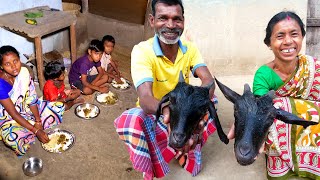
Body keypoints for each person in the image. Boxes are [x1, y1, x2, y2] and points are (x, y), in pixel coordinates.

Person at [114, 0, 218, 179]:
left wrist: (191, 112)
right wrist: (171, 114)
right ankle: (154, 163)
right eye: (163, 18)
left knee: (212, 99)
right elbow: (146, 97)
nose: (170, 25)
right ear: (152, 20)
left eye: (176, 19)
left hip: (182, 110)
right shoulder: (142, 51)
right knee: (132, 119)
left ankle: (187, 144)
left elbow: (208, 81)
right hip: (158, 111)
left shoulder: (189, 48)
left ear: (183, 21)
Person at [251, 11, 320, 179]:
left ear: (302, 37)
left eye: (294, 34)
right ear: (269, 43)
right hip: (283, 126)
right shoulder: (263, 75)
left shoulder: (312, 67)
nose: (288, 41)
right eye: (280, 36)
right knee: (274, 112)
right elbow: (261, 109)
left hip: (312, 124)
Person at [0, 45, 65, 156]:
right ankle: (30, 133)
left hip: (26, 109)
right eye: (7, 64)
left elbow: (32, 98)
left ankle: (30, 131)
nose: (14, 66)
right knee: (11, 137)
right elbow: (13, 113)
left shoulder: (24, 73)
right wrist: (36, 130)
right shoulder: (1, 85)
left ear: (19, 59)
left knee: (58, 106)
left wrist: (38, 120)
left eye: (15, 61)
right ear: (1, 66)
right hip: (9, 117)